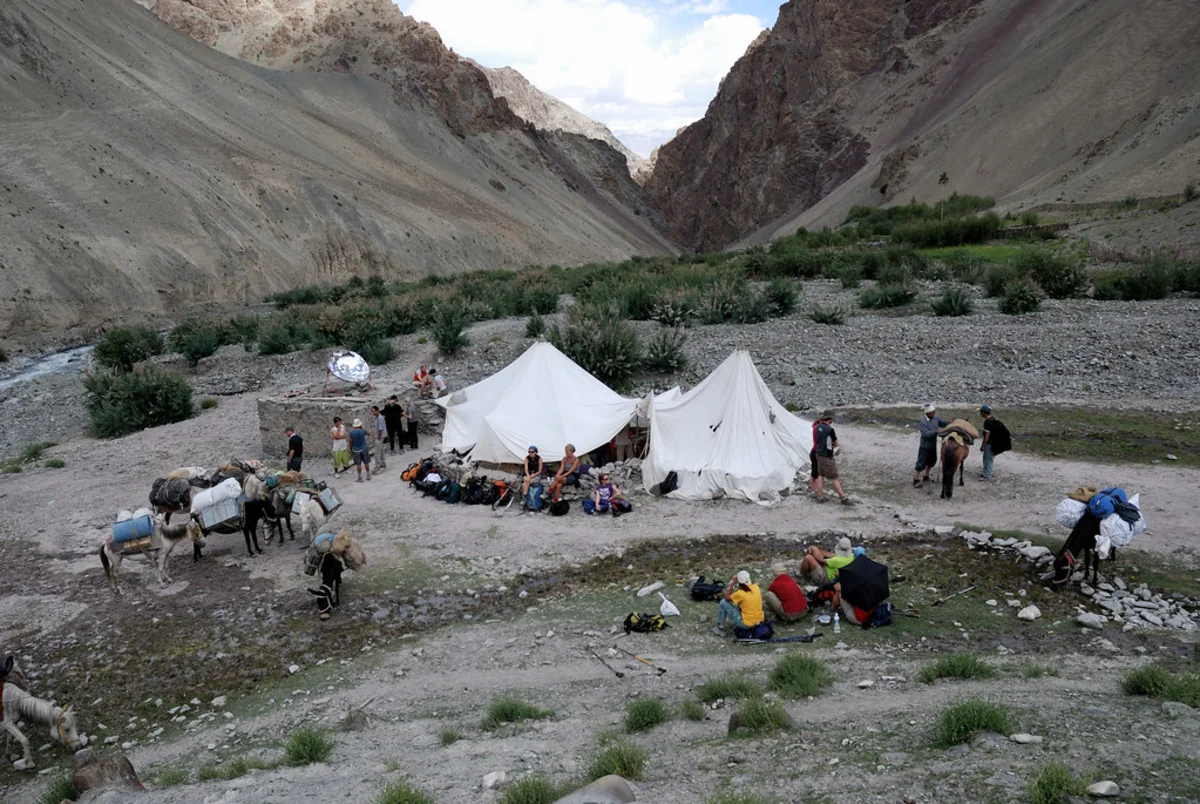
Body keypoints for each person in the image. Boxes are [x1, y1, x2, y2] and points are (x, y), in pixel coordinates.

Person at [799, 537, 856, 611]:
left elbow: (821, 559)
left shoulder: (837, 560)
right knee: (815, 550)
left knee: (808, 558)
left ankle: (800, 575)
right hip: (829, 568)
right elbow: (829, 555)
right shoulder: (851, 556)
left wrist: (813, 550)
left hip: (825, 577)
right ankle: (807, 569)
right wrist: (815, 549)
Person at [813, 411, 851, 505]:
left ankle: (819, 496)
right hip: (827, 456)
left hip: (818, 454)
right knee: (835, 477)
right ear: (829, 419)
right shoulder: (830, 429)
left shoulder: (817, 427)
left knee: (820, 475)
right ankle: (843, 498)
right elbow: (837, 444)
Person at [711, 570, 764, 638]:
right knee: (741, 605)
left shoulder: (740, 593)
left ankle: (720, 628)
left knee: (723, 602)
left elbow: (727, 598)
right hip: (759, 621)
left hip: (746, 624)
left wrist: (732, 583)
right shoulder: (756, 587)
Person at [914, 403, 948, 487]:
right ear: (927, 413)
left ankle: (926, 475)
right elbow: (925, 434)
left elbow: (943, 423)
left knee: (932, 461)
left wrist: (950, 422)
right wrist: (936, 431)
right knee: (921, 463)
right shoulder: (923, 422)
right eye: (932, 412)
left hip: (932, 445)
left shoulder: (935, 418)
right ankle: (916, 479)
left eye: (934, 412)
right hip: (925, 446)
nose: (934, 414)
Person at [978, 404, 1012, 480]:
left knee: (988, 458)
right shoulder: (992, 419)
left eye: (981, 412)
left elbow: (987, 434)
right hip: (995, 443)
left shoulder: (987, 422)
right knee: (987, 458)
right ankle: (986, 472)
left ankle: (987, 475)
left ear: (984, 413)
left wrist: (983, 445)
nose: (980, 414)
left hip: (990, 444)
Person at [348, 418, 371, 482]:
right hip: (364, 449)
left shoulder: (351, 433)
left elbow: (350, 442)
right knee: (366, 463)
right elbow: (368, 434)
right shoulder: (362, 431)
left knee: (358, 465)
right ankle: (368, 475)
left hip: (356, 450)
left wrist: (351, 450)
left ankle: (360, 477)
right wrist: (362, 428)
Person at [370, 406, 388, 471]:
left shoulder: (379, 418)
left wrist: (379, 437)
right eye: (372, 411)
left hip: (379, 437)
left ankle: (377, 467)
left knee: (377, 453)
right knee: (382, 451)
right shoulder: (378, 417)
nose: (372, 412)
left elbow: (380, 429)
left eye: (373, 411)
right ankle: (383, 464)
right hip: (381, 437)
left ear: (377, 411)